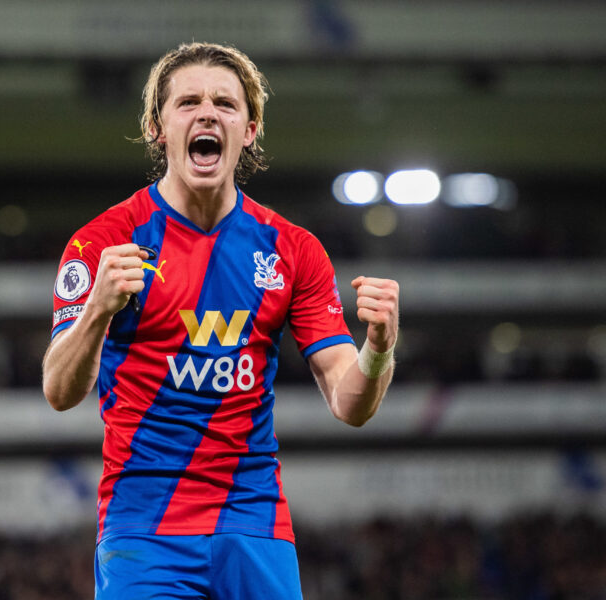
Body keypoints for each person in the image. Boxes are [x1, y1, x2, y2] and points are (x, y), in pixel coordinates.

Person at [43, 41, 399, 600]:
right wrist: (96, 312)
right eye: (188, 102)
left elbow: (350, 405)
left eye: (225, 104)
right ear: (158, 128)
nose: (207, 113)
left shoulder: (293, 250)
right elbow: (60, 392)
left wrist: (378, 347)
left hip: (253, 521)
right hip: (144, 528)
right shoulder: (103, 243)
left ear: (249, 130)